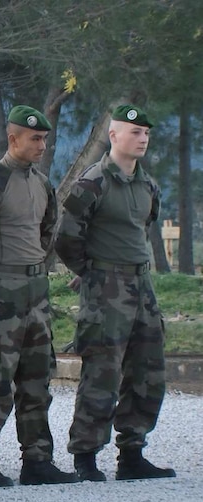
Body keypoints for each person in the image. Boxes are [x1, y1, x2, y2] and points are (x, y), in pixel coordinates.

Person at [0, 105, 78, 488]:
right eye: (35, 139)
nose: (42, 145)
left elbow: (47, 233)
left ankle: (38, 459)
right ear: (13, 139)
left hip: (36, 292)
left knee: (36, 379)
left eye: (44, 139)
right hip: (2, 292)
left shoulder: (42, 184)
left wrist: (31, 270)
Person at [55, 104, 175, 482]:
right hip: (106, 287)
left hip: (142, 286)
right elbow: (66, 238)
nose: (142, 139)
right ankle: (86, 455)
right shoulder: (93, 183)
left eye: (146, 134)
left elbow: (143, 227)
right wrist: (91, 272)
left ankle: (132, 452)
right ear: (114, 136)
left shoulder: (147, 185)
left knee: (147, 369)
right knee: (102, 371)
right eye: (135, 132)